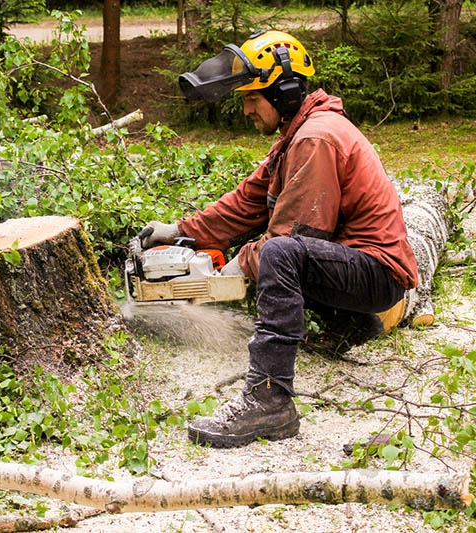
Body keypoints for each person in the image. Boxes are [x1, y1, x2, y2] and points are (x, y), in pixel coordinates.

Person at [139, 30, 419, 448]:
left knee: (278, 253)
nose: (247, 110)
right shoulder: (296, 135)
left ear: (285, 92)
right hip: (352, 262)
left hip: (377, 274)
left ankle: (269, 402)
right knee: (271, 247)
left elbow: (295, 235)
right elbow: (245, 202)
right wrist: (180, 231)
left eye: (254, 99)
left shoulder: (316, 138)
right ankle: (351, 324)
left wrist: (237, 267)